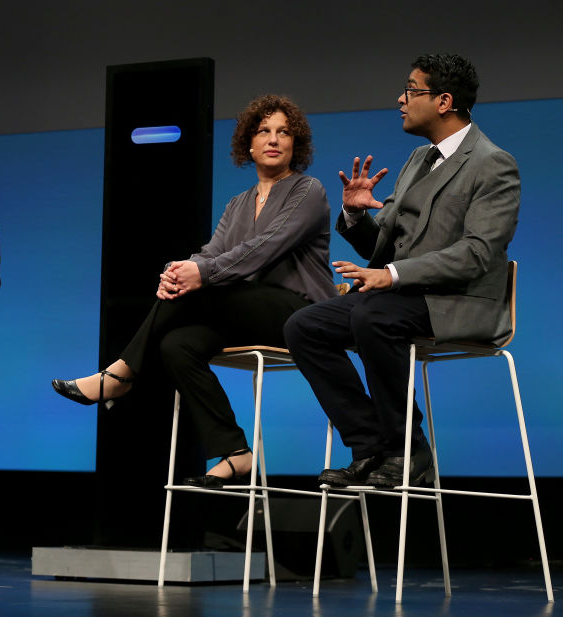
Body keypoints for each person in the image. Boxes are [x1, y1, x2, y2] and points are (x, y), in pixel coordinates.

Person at [52, 95, 334, 487]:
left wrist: (197, 273)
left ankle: (120, 373)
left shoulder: (308, 191)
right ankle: (236, 453)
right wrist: (176, 271)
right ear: (248, 145)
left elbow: (262, 250)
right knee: (176, 345)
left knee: (199, 287)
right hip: (244, 312)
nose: (273, 139)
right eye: (264, 131)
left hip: (299, 313)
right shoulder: (238, 204)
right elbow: (211, 254)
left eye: (283, 132)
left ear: (295, 144)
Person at [283, 54, 520, 488]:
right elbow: (387, 246)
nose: (401, 99)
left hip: (457, 300)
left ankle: (407, 449)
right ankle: (372, 445)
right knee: (305, 326)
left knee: (371, 314)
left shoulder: (492, 164)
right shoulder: (418, 159)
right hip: (403, 297)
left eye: (412, 90)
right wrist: (356, 217)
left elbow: (479, 253)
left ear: (444, 101)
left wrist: (391, 275)